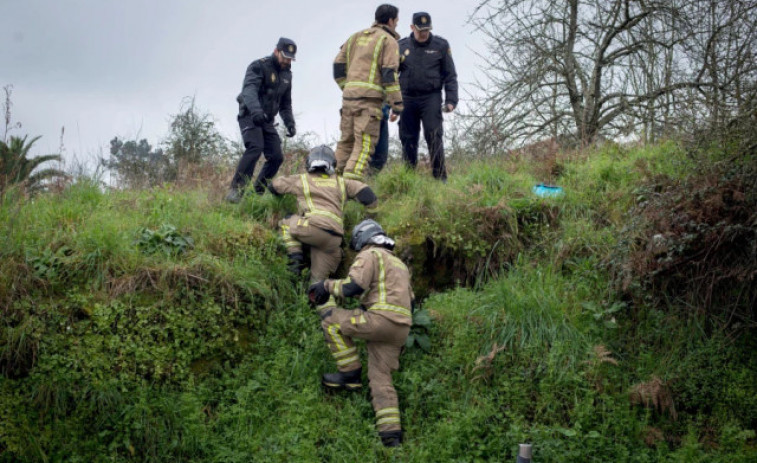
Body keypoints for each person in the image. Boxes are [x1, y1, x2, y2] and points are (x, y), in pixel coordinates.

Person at [308, 219, 413, 448]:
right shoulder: (400, 265)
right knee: (381, 379)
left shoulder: (370, 254)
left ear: (363, 238)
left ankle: (349, 373)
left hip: (380, 320)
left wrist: (325, 286)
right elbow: (409, 303)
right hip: (400, 328)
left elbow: (352, 287)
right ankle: (391, 437)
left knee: (331, 321)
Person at [269, 146, 378, 282]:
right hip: (334, 239)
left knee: (285, 222)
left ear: (309, 163)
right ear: (332, 164)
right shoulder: (342, 182)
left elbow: (274, 186)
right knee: (318, 289)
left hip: (312, 228)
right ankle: (325, 301)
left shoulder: (301, 179)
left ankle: (295, 260)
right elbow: (369, 196)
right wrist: (372, 217)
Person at [333, 4, 404, 181]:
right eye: (396, 21)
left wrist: (347, 87)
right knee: (363, 147)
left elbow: (337, 67)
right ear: (390, 20)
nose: (396, 24)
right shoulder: (388, 41)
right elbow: (389, 75)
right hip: (369, 104)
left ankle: (329, 186)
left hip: (348, 100)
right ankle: (351, 188)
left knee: (345, 144)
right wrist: (397, 104)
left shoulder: (354, 37)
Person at [227, 37, 298, 203]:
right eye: (285, 57)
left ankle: (256, 194)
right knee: (255, 147)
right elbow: (249, 90)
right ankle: (235, 192)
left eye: (290, 59)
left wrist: (290, 123)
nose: (287, 61)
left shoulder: (287, 75)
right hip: (250, 114)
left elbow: (285, 103)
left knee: (276, 156)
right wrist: (256, 111)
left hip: (267, 119)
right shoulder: (259, 66)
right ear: (276, 51)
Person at [398, 12, 458, 181]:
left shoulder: (441, 45)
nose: (424, 33)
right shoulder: (401, 46)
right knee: (408, 138)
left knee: (434, 135)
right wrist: (392, 103)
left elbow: (450, 75)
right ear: (412, 28)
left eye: (427, 30)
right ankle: (408, 179)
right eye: (420, 30)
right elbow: (391, 76)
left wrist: (451, 100)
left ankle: (440, 178)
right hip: (407, 98)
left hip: (431, 97)